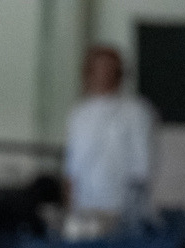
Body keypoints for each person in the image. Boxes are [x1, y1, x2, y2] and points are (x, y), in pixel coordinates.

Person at [65, 46, 158, 233]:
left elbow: (143, 166)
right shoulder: (79, 114)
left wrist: (131, 210)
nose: (103, 74)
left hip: (122, 212)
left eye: (108, 68)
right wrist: (70, 208)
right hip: (85, 211)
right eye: (97, 68)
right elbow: (72, 168)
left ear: (119, 72)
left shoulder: (137, 111)